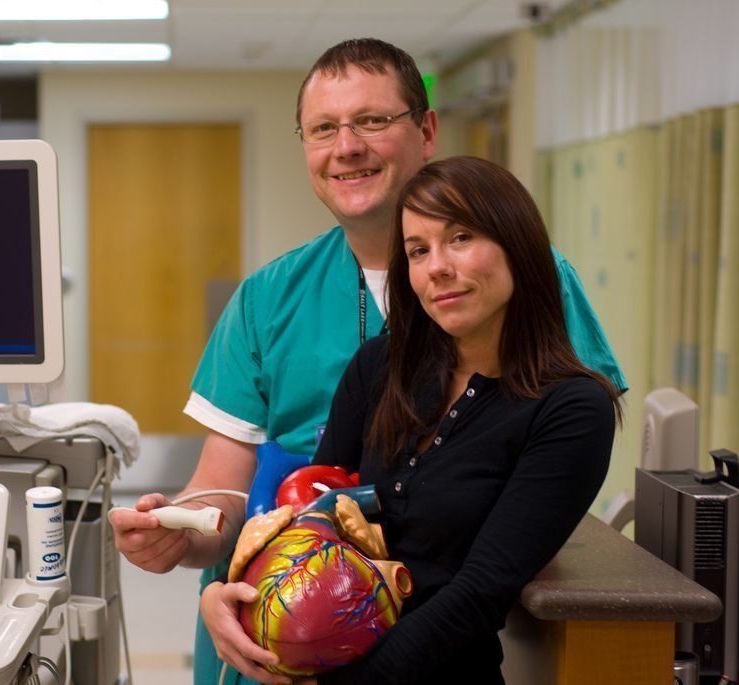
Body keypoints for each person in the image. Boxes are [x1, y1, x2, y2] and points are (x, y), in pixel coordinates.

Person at [110, 38, 626, 685]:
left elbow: (538, 497)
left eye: (373, 120)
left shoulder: (541, 291)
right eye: (324, 128)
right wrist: (189, 544)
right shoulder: (278, 304)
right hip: (277, 619)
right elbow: (232, 489)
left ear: (426, 130)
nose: (347, 146)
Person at [200, 156, 621, 684]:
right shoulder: (379, 367)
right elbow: (311, 526)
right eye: (418, 250)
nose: (437, 267)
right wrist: (224, 597)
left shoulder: (572, 409)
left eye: (461, 238)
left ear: (519, 245)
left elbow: (481, 592)